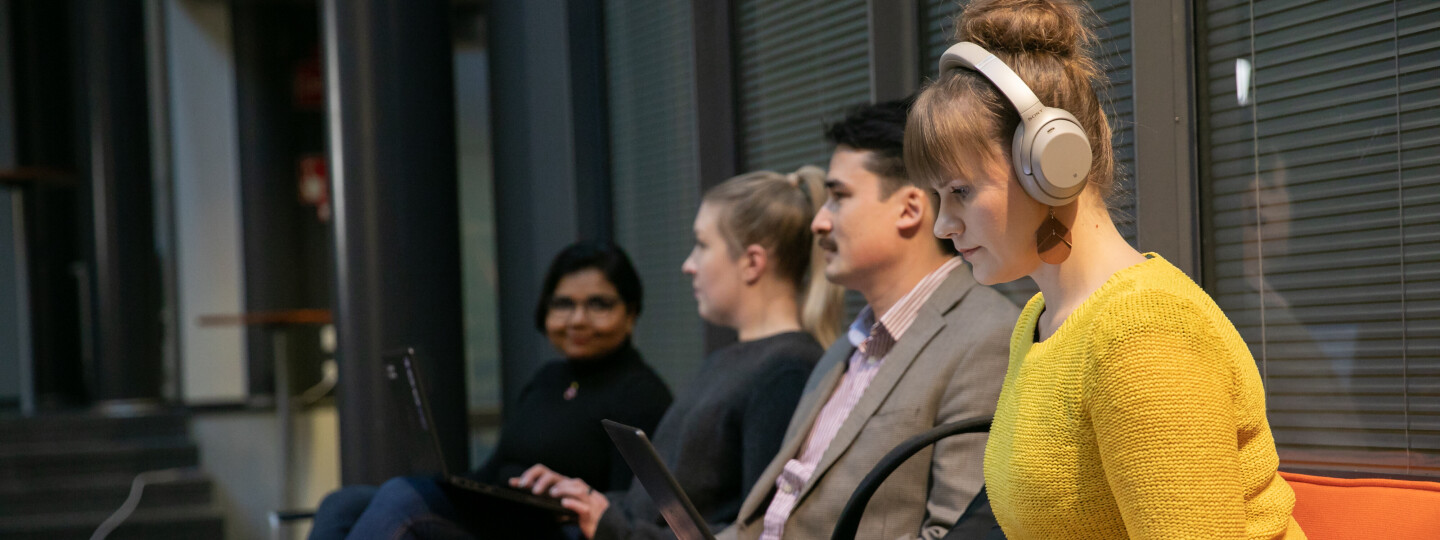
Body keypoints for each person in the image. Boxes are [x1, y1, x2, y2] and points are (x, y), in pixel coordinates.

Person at [904, 0, 1306, 538]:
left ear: (1049, 165)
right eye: (937, 195)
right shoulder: (1040, 320)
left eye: (960, 191)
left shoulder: (1142, 334)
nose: (943, 225)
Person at [721, 99, 1016, 540]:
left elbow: (953, 533)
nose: (819, 222)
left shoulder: (986, 336)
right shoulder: (847, 346)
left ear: (910, 209)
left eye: (838, 197)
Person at [512, 166, 846, 539]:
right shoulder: (730, 360)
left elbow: (757, 532)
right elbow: (668, 508)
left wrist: (612, 527)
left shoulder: (787, 371)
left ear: (752, 262)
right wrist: (591, 500)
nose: (689, 265)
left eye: (702, 245)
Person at [308, 241, 673, 540]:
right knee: (345, 502)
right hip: (504, 516)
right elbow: (494, 469)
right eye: (563, 304)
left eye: (599, 304)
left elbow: (631, 508)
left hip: (556, 531)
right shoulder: (549, 378)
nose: (578, 319)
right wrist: (451, 488)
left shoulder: (641, 394)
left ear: (631, 313)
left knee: (402, 497)